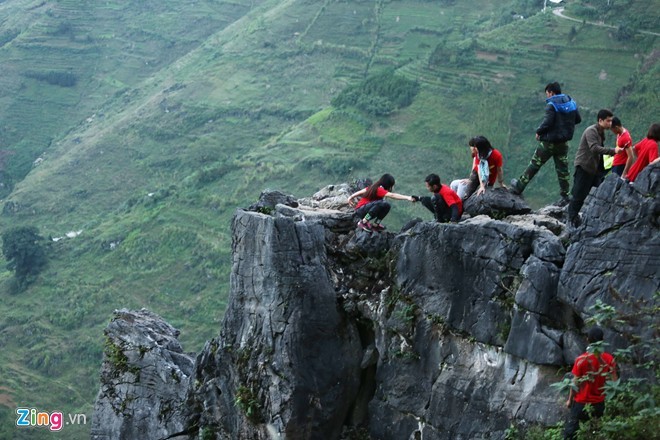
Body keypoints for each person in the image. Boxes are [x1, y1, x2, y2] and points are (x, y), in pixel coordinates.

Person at [510, 82, 582, 207]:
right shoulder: (570, 102)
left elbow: (547, 122)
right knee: (563, 170)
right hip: (563, 143)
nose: (547, 97)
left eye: (547, 94)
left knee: (535, 164)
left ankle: (519, 186)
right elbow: (578, 119)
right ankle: (565, 196)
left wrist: (539, 132)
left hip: (549, 143)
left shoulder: (551, 105)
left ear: (551, 92)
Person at [566, 109, 622, 227]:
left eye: (611, 121)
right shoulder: (591, 131)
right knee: (579, 194)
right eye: (608, 121)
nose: (610, 123)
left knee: (596, 193)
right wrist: (613, 151)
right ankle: (570, 220)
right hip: (584, 166)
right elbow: (594, 148)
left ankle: (586, 219)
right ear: (600, 120)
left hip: (594, 169)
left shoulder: (601, 132)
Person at [564, 327, 618, 440]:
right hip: (599, 403)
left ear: (587, 339)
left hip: (580, 403)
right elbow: (614, 381)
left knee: (570, 434)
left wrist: (570, 400)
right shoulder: (609, 359)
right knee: (595, 432)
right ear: (602, 340)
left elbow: (575, 382)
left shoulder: (581, 359)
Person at [347, 173, 415, 232]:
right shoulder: (379, 189)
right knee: (382, 203)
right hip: (360, 211)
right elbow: (392, 195)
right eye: (392, 185)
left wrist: (351, 197)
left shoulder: (375, 187)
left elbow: (363, 190)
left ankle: (375, 225)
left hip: (364, 210)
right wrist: (407, 197)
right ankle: (363, 222)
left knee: (387, 205)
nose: (392, 187)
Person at [450, 136, 506, 200]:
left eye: (476, 147)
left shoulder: (496, 155)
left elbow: (499, 170)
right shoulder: (478, 155)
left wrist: (501, 183)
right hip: (476, 175)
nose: (474, 148)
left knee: (486, 195)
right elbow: (479, 170)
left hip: (490, 178)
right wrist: (480, 185)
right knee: (467, 195)